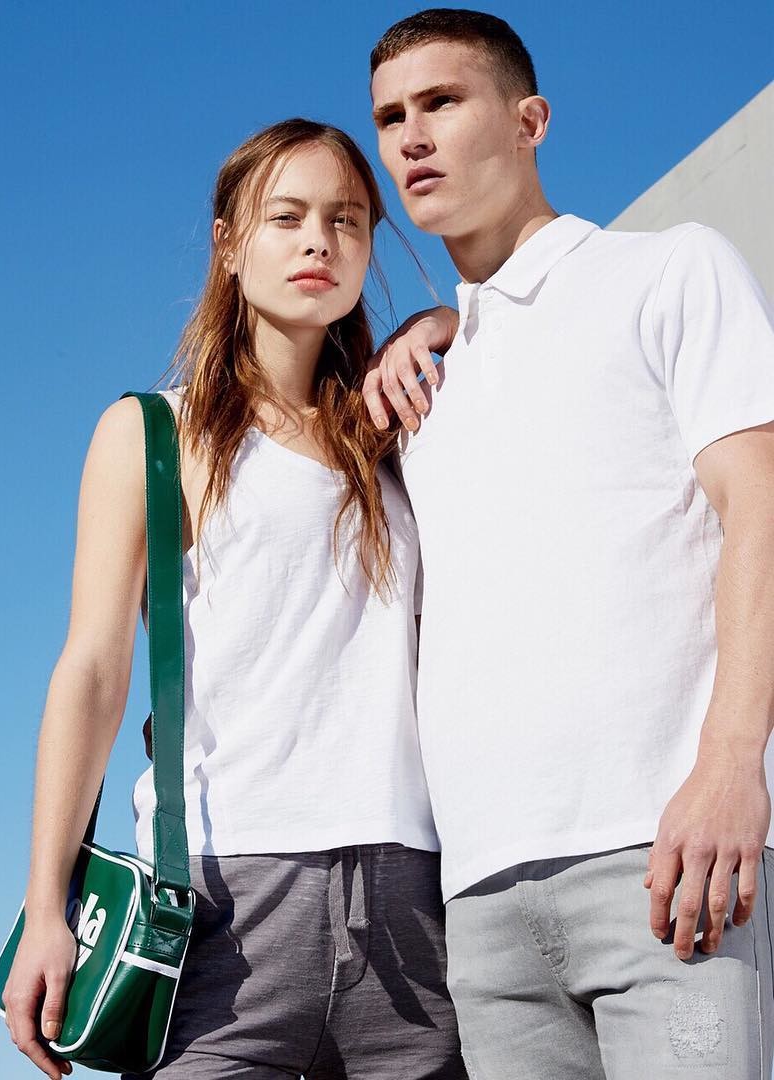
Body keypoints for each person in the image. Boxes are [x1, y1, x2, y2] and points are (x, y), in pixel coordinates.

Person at [0, 118, 466, 1080]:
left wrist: (442, 323)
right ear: (228, 243)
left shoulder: (398, 431)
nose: (318, 242)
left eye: (346, 220)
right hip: (222, 907)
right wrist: (47, 904)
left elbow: (527, 324)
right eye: (285, 217)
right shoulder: (153, 434)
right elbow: (93, 671)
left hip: (411, 902)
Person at [361, 9, 774, 1078]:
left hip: (664, 855)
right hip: (480, 901)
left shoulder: (668, 271)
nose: (411, 137)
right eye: (391, 118)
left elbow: (761, 507)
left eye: (442, 102)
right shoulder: (423, 382)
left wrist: (732, 763)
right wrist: (441, 327)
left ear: (529, 120)